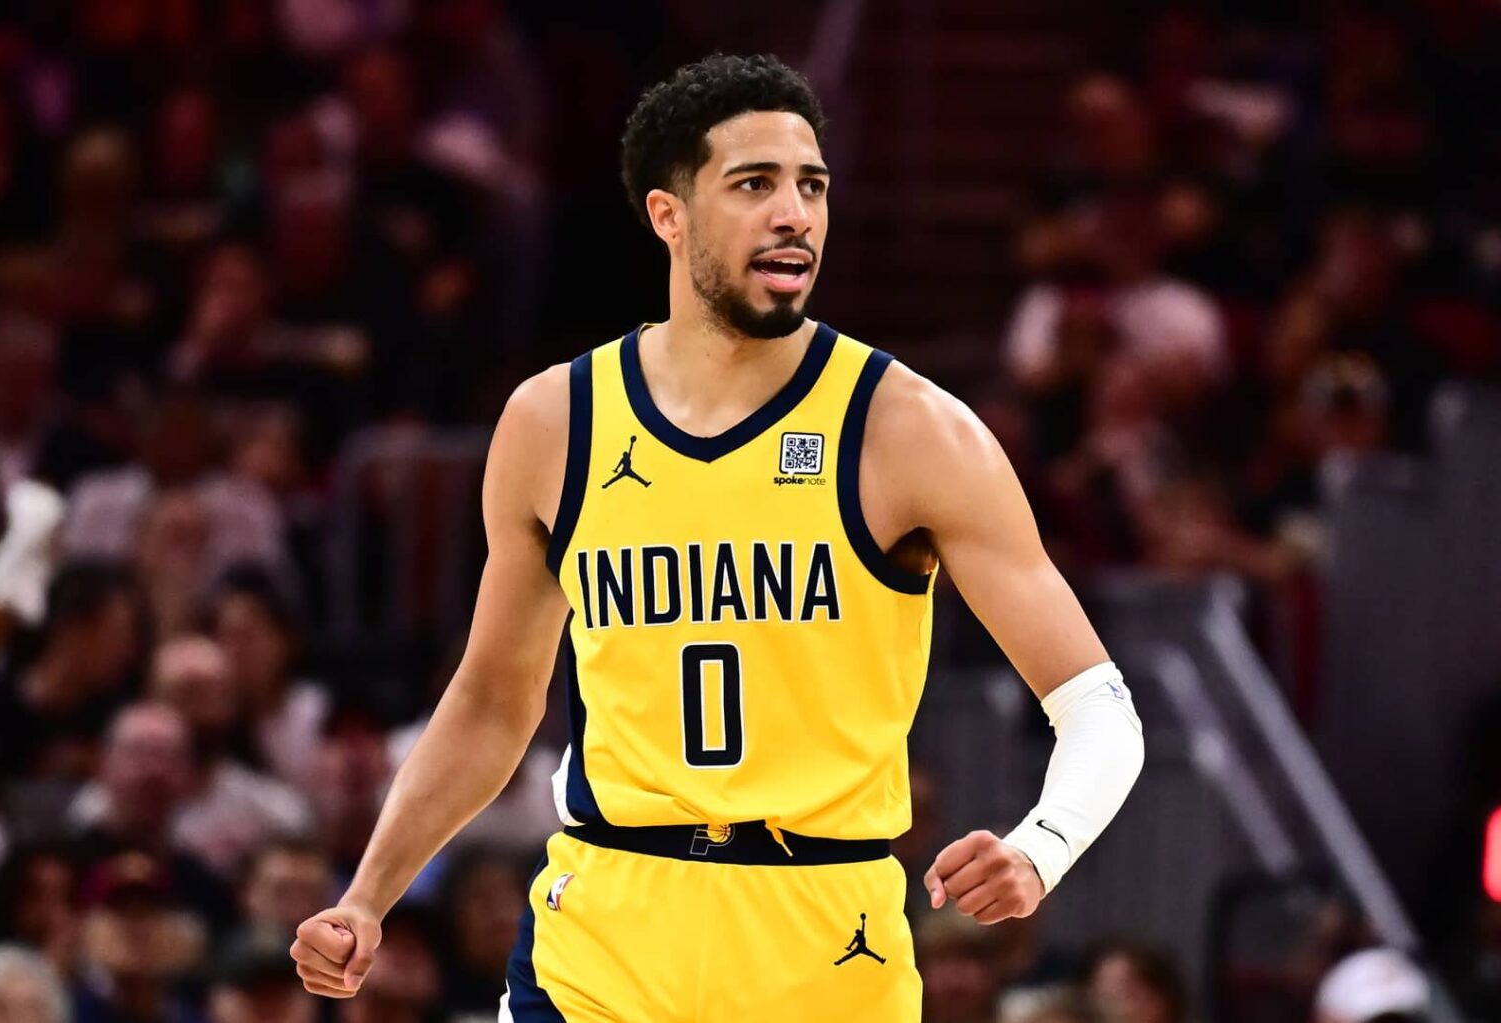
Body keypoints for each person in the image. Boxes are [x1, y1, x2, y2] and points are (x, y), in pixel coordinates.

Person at [291, 53, 1146, 1020]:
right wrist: (368, 894)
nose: (796, 214)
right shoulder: (553, 421)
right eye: (755, 184)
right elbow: (494, 702)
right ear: (669, 215)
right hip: (602, 931)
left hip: (822, 937)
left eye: (812, 186)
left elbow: (1100, 707)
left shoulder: (910, 430)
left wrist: (1042, 846)